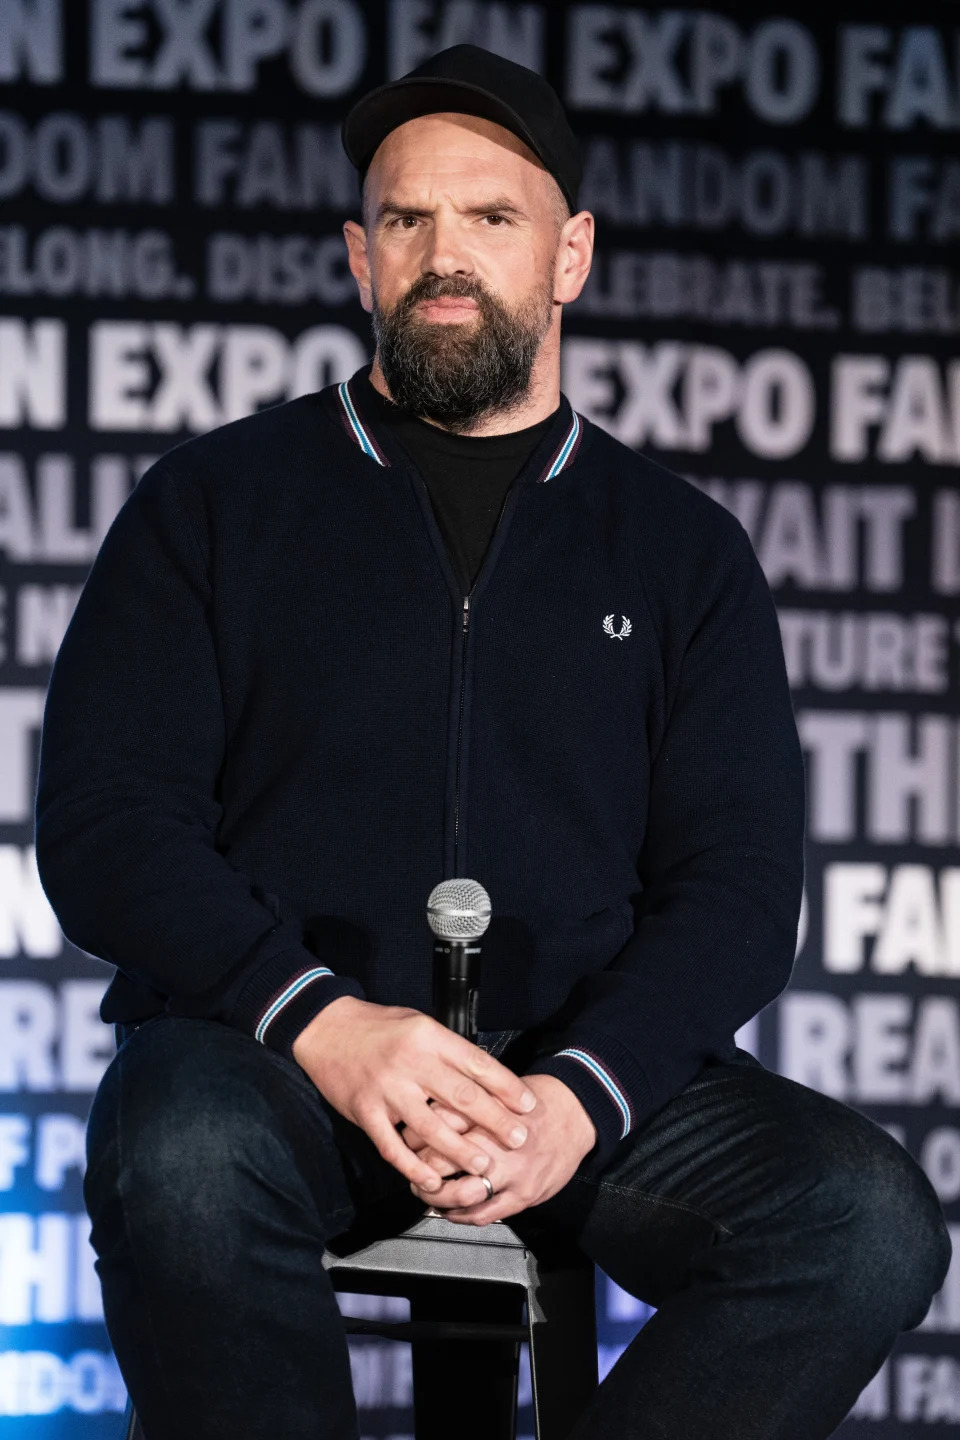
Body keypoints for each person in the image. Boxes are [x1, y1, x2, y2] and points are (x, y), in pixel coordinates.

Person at [34, 43, 949, 1440]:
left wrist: (580, 1094)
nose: (443, 256)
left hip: (570, 1080)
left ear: (571, 254)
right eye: (407, 220)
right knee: (179, 1149)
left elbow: (741, 895)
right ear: (358, 256)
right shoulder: (209, 504)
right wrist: (322, 1021)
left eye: (492, 219)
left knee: (863, 1219)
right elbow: (107, 826)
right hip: (285, 1057)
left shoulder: (684, 552)